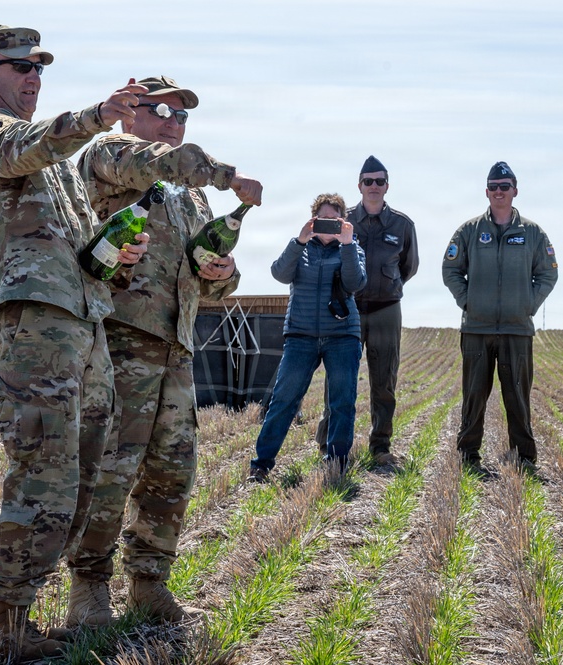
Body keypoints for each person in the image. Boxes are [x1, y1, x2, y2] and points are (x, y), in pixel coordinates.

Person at [0, 24, 149, 660]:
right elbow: (22, 150)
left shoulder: (58, 172)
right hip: (35, 322)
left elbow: (90, 257)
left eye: (38, 68)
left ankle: (25, 616)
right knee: (43, 468)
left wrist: (120, 254)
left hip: (84, 322)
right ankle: (5, 626)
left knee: (84, 474)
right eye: (17, 66)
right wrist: (95, 117)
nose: (31, 77)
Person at [65, 76, 262, 627]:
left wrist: (224, 274)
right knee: (112, 466)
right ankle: (89, 586)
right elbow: (158, 163)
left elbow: (208, 276)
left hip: (177, 347)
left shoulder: (191, 196)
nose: (173, 124)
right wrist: (228, 176)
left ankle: (150, 583)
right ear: (131, 113)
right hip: (120, 341)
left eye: (182, 118)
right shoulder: (113, 156)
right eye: (160, 111)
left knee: (172, 471)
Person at [442, 162, 558, 471]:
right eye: (493, 187)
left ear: (515, 191)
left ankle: (523, 457)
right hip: (477, 328)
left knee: (517, 396)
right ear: (486, 192)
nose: (498, 192)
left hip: (517, 329)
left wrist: (527, 305)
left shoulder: (532, 233)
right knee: (474, 395)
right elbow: (451, 270)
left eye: (504, 187)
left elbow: (547, 274)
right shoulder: (468, 231)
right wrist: (468, 302)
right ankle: (468, 454)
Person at [248, 194, 367, 482]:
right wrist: (299, 240)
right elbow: (279, 273)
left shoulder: (353, 248)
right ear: (313, 220)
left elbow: (356, 283)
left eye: (334, 220)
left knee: (342, 400)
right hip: (301, 335)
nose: (328, 226)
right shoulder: (300, 248)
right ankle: (261, 464)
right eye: (322, 219)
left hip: (342, 335)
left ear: (344, 222)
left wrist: (348, 245)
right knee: (284, 399)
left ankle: (336, 463)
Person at [316, 156, 419, 466]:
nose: (374, 186)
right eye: (367, 181)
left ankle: (381, 445)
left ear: (387, 185)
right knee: (340, 377)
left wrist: (387, 285)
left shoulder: (402, 225)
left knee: (384, 380)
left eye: (380, 181)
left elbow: (408, 267)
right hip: (349, 309)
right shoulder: (343, 221)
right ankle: (328, 444)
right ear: (359, 185)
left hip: (387, 309)